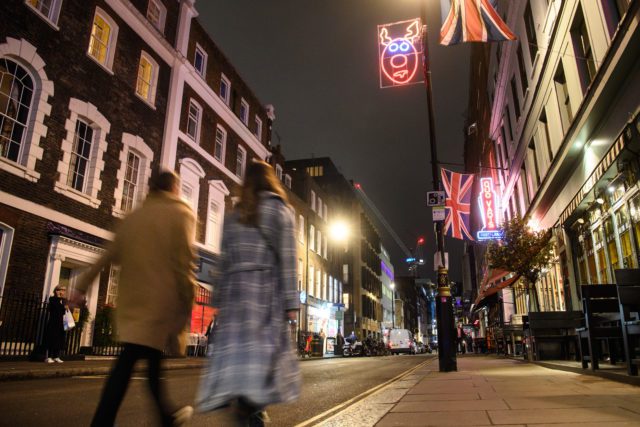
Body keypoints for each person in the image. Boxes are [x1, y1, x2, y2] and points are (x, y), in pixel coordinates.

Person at [72, 170, 196, 427]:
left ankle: (162, 415)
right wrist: (186, 306)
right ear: (174, 188)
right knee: (136, 362)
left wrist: (81, 286)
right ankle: (119, 419)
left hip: (131, 303)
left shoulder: (135, 217)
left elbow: (109, 254)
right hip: (160, 303)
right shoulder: (181, 214)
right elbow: (184, 264)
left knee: (140, 362)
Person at [197, 161, 300, 426]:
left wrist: (218, 300)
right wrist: (291, 303)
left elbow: (224, 261)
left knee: (240, 361)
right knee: (263, 362)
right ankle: (252, 412)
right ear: (270, 181)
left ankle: (246, 408)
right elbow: (288, 260)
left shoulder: (235, 216)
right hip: (264, 295)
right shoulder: (280, 211)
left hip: (235, 298)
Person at [44, 285, 67, 363]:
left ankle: (56, 356)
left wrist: (65, 307)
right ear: (57, 290)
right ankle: (49, 356)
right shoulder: (53, 299)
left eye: (64, 290)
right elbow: (55, 308)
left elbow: (63, 311)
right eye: (62, 290)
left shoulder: (64, 300)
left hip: (61, 322)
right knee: (52, 338)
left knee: (59, 339)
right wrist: (58, 297)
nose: (63, 292)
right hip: (53, 321)